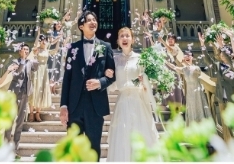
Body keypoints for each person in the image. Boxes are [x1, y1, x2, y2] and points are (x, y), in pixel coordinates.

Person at [60, 11, 116, 161]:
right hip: (74, 106)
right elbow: (67, 78)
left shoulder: (105, 47)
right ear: (81, 26)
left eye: (95, 20)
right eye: (89, 20)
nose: (93, 22)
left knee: (93, 149)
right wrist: (63, 106)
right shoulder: (73, 48)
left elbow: (112, 75)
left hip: (95, 107)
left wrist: (100, 82)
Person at [105, 27, 158, 162]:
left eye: (127, 36)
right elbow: (113, 86)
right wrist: (108, 76)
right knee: (123, 136)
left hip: (138, 101)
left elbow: (148, 84)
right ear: (117, 41)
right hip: (122, 102)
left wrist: (144, 81)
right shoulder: (115, 60)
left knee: (141, 134)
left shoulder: (141, 59)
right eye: (121, 36)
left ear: (132, 39)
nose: (124, 38)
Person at [4, 43, 39, 157]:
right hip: (14, 93)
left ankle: (15, 148)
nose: (26, 51)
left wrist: (35, 56)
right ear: (19, 51)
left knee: (20, 122)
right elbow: (17, 72)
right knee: (10, 120)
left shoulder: (30, 62)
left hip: (25, 93)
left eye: (27, 50)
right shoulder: (15, 61)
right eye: (24, 49)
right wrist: (22, 60)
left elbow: (36, 68)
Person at [166, 52, 211, 126]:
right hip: (190, 93)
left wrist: (185, 63)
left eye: (189, 56)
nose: (187, 57)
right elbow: (174, 67)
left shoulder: (196, 68)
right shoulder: (184, 69)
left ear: (192, 58)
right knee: (191, 109)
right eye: (185, 56)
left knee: (199, 107)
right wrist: (165, 61)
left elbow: (194, 70)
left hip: (197, 92)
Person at [29, 34, 59, 122]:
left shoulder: (47, 50)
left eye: (45, 40)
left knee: (42, 91)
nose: (44, 41)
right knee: (34, 91)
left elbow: (56, 51)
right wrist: (38, 35)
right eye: (42, 40)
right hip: (37, 71)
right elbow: (34, 46)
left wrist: (59, 41)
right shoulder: (37, 50)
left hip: (44, 72)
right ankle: (31, 113)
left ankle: (38, 113)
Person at [47, 22, 63, 94]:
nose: (59, 25)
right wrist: (58, 37)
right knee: (52, 69)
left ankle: (54, 88)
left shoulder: (62, 34)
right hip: (53, 53)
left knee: (57, 69)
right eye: (57, 24)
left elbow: (64, 44)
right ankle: (49, 89)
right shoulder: (52, 33)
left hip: (60, 53)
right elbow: (52, 42)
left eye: (60, 24)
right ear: (55, 25)